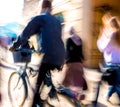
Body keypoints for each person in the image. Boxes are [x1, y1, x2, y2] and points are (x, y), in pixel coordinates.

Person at [9, 0, 65, 107]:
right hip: (61, 55)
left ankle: (35, 103)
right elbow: (52, 37)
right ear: (51, 7)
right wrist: (40, 47)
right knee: (46, 74)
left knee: (37, 84)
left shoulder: (40, 18)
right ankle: (50, 92)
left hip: (50, 55)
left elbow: (25, 34)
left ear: (41, 7)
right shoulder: (56, 20)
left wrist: (14, 46)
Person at [97, 12, 120, 103]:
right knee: (116, 84)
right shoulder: (117, 34)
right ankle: (107, 96)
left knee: (115, 84)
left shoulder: (112, 35)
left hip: (112, 65)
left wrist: (101, 35)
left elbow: (102, 48)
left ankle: (105, 96)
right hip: (117, 65)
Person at [59, 26, 87, 101]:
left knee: (67, 80)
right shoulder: (80, 39)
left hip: (71, 63)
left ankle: (75, 94)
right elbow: (81, 53)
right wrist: (83, 62)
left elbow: (67, 52)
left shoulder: (69, 40)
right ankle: (78, 94)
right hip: (79, 63)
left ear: (69, 32)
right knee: (77, 81)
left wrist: (64, 61)